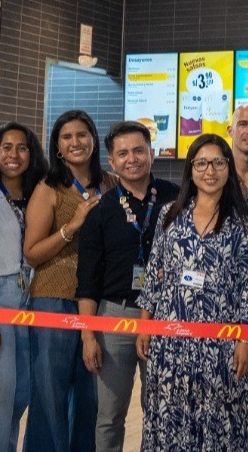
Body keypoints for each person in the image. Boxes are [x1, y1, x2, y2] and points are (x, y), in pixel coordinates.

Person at [136, 134, 248, 450]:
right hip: (170, 340)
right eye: (201, 163)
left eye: (218, 162)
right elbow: (153, 273)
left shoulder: (242, 221)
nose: (210, 170)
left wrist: (245, 339)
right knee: (171, 417)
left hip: (221, 344)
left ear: (228, 168)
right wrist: (145, 325)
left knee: (221, 419)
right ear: (191, 169)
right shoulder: (170, 215)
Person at [76, 121, 178, 452]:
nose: (131, 158)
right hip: (114, 318)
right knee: (110, 415)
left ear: (151, 153)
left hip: (165, 318)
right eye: (123, 153)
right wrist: (88, 334)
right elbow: (88, 280)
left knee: (161, 411)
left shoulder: (176, 198)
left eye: (138, 150)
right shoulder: (100, 210)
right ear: (111, 161)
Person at [23, 111, 117, 452]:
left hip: (97, 302)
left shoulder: (110, 185)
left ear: (94, 140)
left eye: (82, 134)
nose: (76, 142)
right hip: (53, 299)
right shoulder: (48, 188)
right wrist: (71, 226)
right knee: (50, 397)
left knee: (92, 398)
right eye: (67, 137)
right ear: (58, 147)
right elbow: (32, 253)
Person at [0, 122, 46, 452]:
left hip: (33, 299)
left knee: (21, 395)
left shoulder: (38, 195)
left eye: (22, 147)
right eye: (6, 147)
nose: (14, 155)